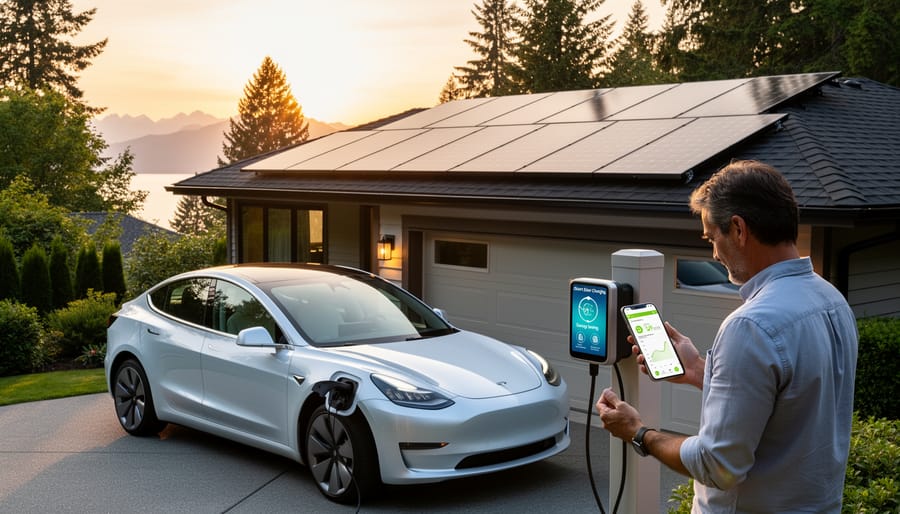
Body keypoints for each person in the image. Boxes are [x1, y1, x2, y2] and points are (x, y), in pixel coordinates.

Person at [596, 160, 858, 513]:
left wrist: (638, 432)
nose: (714, 253)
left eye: (711, 238)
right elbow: (788, 403)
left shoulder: (750, 326)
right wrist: (699, 371)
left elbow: (716, 465)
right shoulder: (833, 301)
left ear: (738, 229)